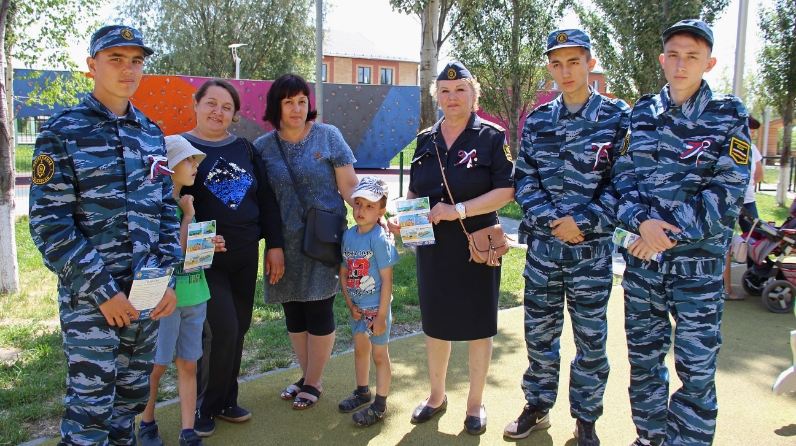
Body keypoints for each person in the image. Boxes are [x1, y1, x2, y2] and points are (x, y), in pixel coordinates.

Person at [28, 25, 181, 445]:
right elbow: (49, 224)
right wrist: (102, 291)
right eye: (116, 59)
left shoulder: (150, 132)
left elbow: (166, 209)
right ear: (92, 65)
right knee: (90, 409)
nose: (128, 69)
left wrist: (167, 276)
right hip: (94, 299)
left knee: (130, 401)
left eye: (136, 61)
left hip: (145, 295)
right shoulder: (61, 132)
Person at [612, 19, 750, 446]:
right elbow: (621, 178)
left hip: (698, 269)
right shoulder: (642, 113)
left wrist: (662, 234)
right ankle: (651, 437)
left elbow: (727, 191)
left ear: (708, 63)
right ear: (662, 60)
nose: (681, 64)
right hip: (644, 268)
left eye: (692, 56)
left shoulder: (728, 114)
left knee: (695, 370)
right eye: (673, 54)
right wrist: (641, 223)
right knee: (645, 363)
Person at [505, 29, 630, 445]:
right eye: (557, 64)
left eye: (574, 61)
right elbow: (524, 181)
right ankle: (537, 406)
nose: (566, 71)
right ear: (549, 69)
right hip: (544, 251)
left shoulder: (617, 117)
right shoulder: (539, 120)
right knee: (539, 335)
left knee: (590, 342)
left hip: (590, 254)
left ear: (590, 63)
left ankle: (586, 420)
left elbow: (624, 182)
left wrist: (586, 221)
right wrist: (550, 219)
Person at [387, 62, 514, 435]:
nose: (452, 97)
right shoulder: (426, 139)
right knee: (436, 326)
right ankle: (436, 396)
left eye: (460, 91)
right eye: (444, 91)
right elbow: (414, 191)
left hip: (477, 245)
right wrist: (405, 219)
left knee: (478, 326)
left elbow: (506, 191)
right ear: (436, 96)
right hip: (434, 248)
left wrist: (456, 209)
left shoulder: (491, 137)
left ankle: (475, 403)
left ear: (474, 96)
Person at [180, 79, 285, 437]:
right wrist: (199, 239)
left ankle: (227, 399)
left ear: (235, 115)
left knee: (238, 329)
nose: (218, 112)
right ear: (196, 105)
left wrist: (274, 244)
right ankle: (205, 407)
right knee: (221, 329)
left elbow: (266, 199)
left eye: (226, 107)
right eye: (211, 104)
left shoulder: (244, 148)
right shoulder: (180, 148)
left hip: (245, 256)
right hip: (205, 260)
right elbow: (169, 208)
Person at [254, 73, 360, 410]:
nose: (297, 108)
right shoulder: (263, 147)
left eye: (302, 101)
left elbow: (349, 185)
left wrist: (371, 212)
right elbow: (262, 201)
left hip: (322, 239)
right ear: (277, 106)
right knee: (293, 312)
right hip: (281, 245)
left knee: (318, 308)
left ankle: (313, 381)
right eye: (289, 102)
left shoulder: (329, 136)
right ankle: (307, 374)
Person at [139, 135, 227, 446]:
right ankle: (146, 422)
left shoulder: (183, 203)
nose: (194, 167)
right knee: (157, 366)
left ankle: (187, 429)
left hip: (194, 295)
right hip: (165, 302)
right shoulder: (159, 208)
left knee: (189, 364)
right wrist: (188, 218)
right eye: (189, 160)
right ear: (168, 165)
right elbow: (171, 252)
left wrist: (210, 246)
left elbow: (191, 254)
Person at [337, 176, 401, 427]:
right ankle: (362, 391)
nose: (361, 210)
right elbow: (344, 271)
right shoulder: (348, 236)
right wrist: (350, 304)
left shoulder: (379, 239)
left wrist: (381, 316)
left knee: (379, 356)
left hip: (376, 310)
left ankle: (380, 405)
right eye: (358, 204)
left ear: (381, 211)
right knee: (360, 351)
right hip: (357, 309)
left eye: (370, 206)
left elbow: (387, 281)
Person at [724, 116, 764, 300]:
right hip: (729, 202)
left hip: (747, 201)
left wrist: (747, 188)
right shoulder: (728, 145)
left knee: (756, 241)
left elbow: (759, 175)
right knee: (725, 243)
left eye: (755, 132)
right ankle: (725, 289)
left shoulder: (753, 149)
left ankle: (756, 277)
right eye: (750, 131)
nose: (752, 135)